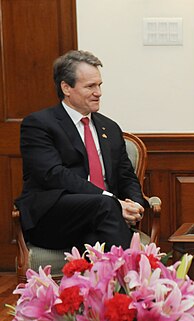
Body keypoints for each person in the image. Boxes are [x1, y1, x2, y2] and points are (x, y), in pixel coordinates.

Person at [15, 50, 147, 251]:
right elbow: (53, 175)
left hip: (103, 217)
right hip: (54, 219)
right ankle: (135, 278)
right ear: (66, 88)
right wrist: (112, 201)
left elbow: (126, 175)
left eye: (99, 85)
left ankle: (106, 282)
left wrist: (134, 205)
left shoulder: (110, 128)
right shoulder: (39, 124)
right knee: (105, 206)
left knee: (96, 240)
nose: (99, 92)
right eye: (90, 86)